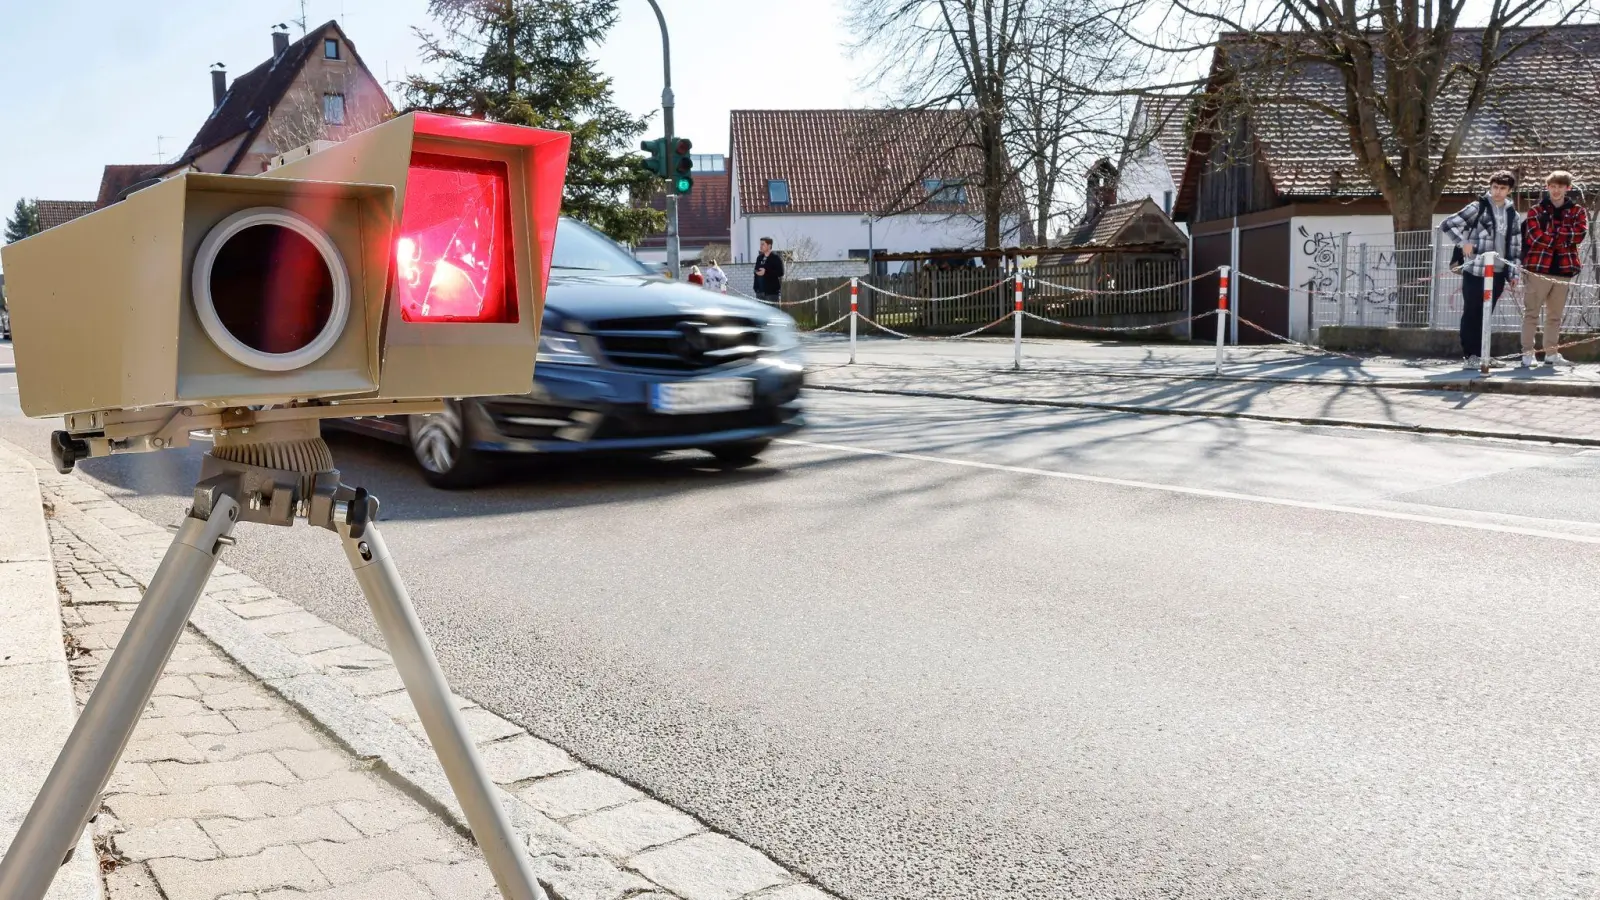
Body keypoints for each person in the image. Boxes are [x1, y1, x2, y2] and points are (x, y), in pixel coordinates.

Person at [1440, 171, 1523, 369]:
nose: (1497, 191)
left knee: (1487, 314)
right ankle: (1471, 356)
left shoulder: (1513, 214)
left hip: (1499, 271)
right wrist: (1463, 243)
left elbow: (1515, 246)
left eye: (1502, 188)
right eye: (1494, 187)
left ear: (1509, 190)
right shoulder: (1478, 207)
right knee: (1472, 312)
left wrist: (1513, 273)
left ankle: (1484, 354)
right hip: (1476, 269)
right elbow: (1448, 224)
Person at [1520, 170, 1589, 367]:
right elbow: (1534, 236)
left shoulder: (1577, 211)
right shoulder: (1535, 210)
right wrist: (1561, 237)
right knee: (1531, 313)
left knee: (1555, 315)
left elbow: (1579, 234)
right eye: (1553, 186)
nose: (1556, 190)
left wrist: (1551, 235)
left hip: (1564, 269)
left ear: (1568, 188)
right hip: (1538, 268)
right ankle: (1527, 354)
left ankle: (1551, 353)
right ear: (1548, 187)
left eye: (1560, 186)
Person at [753, 238, 785, 302]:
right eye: (760, 244)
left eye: (763, 244)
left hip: (771, 293)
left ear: (769, 246)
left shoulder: (776, 258)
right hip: (759, 293)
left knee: (772, 311)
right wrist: (756, 272)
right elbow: (756, 269)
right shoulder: (759, 258)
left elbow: (780, 272)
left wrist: (766, 272)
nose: (760, 246)